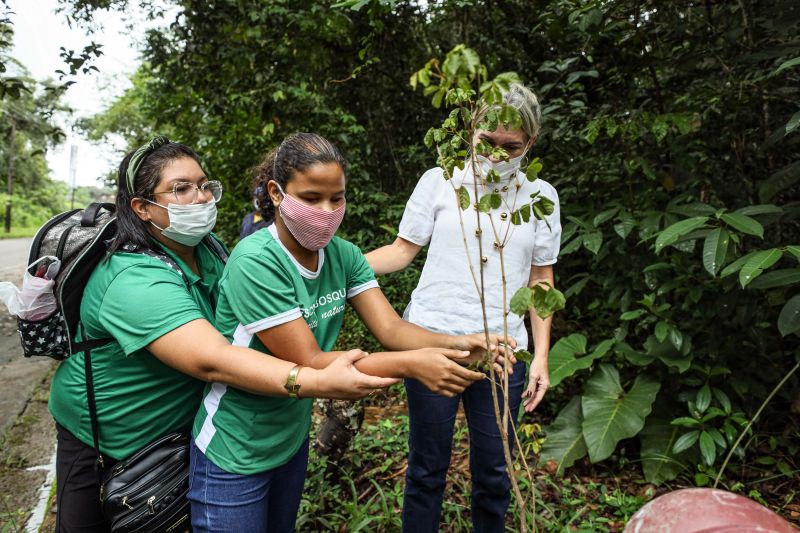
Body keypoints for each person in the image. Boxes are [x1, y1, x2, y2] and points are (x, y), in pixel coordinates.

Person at [48, 136, 397, 533]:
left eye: (203, 185)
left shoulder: (208, 251)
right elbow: (211, 358)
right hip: (110, 433)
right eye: (181, 189)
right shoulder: (132, 279)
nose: (199, 198)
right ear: (142, 208)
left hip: (182, 428)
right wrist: (312, 378)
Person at [188, 132, 511, 532]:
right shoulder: (256, 261)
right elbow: (310, 362)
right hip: (234, 446)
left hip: (289, 440)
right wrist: (414, 365)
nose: (326, 210)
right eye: (310, 198)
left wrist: (461, 344)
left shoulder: (344, 255)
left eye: (336, 198)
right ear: (275, 193)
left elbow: (391, 328)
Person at [365, 84, 562, 532]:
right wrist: (336, 269)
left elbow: (542, 282)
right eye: (486, 142)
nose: (496, 156)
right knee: (426, 468)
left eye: (510, 147)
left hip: (503, 352)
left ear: (529, 144)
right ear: (470, 131)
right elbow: (400, 252)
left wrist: (542, 360)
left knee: (495, 473)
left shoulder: (540, 197)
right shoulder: (440, 181)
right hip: (433, 342)